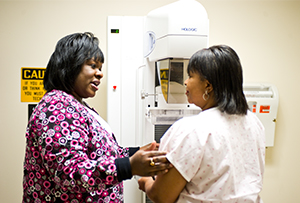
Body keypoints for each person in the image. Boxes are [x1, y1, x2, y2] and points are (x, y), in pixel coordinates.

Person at [22, 32, 172, 203]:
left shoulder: (77, 106)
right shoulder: (56, 106)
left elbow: (100, 154)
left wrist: (136, 153)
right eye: (93, 66)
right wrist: (128, 166)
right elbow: (69, 172)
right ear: (71, 65)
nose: (100, 74)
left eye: (100, 68)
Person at [138, 45, 265, 203]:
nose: (185, 82)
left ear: (208, 86)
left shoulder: (192, 129)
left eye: (190, 76)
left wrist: (145, 180)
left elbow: (162, 195)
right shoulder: (254, 123)